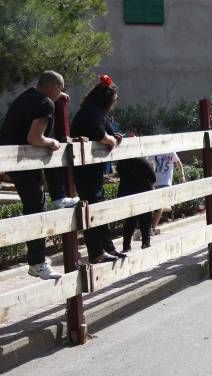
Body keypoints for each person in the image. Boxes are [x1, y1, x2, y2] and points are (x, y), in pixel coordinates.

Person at [0, 71, 79, 279]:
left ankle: (60, 198)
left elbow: (36, 108)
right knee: (37, 210)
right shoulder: (45, 104)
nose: (61, 94)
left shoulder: (27, 96)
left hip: (11, 160)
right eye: (60, 90)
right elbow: (35, 138)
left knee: (34, 206)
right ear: (53, 87)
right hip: (25, 163)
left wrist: (58, 97)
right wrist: (50, 142)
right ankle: (37, 262)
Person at [72, 75, 127, 263]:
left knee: (99, 207)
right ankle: (97, 252)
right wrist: (111, 140)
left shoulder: (98, 112)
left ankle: (108, 248)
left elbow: (110, 132)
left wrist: (114, 136)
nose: (115, 102)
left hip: (94, 171)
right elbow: (100, 134)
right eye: (114, 99)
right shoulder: (91, 112)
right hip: (85, 172)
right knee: (92, 209)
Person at [117, 158, 156, 251]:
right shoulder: (142, 161)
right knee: (145, 220)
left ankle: (126, 246)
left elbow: (119, 174)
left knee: (130, 221)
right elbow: (153, 178)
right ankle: (146, 243)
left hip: (126, 193)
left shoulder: (121, 162)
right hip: (142, 194)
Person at [151, 152, 186, 233]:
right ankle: (170, 208)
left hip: (166, 183)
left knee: (159, 207)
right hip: (155, 183)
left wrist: (182, 176)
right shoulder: (154, 151)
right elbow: (148, 162)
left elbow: (178, 162)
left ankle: (152, 228)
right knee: (157, 206)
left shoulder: (171, 152)